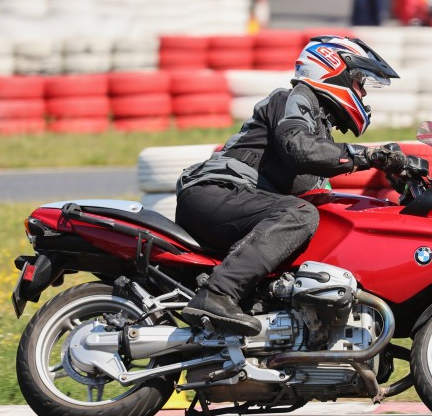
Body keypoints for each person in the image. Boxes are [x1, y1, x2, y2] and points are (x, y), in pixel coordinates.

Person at [175, 35, 408, 337]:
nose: (362, 92)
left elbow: (318, 181)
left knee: (323, 218)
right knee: (299, 214)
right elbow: (297, 147)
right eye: (359, 81)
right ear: (332, 69)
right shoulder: (293, 99)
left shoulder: (318, 127)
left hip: (234, 201)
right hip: (216, 192)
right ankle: (218, 294)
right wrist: (366, 155)